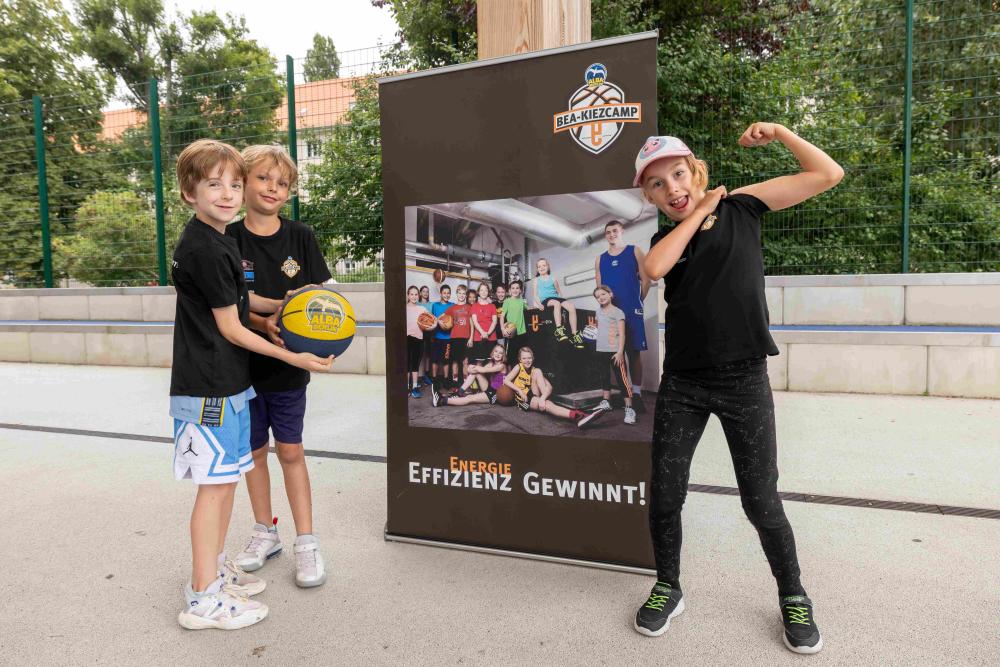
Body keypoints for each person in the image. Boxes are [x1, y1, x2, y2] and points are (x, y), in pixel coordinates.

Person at [631, 127, 843, 654]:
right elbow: (655, 269)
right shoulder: (661, 243)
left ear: (695, 170)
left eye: (678, 174)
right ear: (650, 197)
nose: (672, 188)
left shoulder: (742, 206)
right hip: (684, 384)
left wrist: (781, 133)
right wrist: (700, 211)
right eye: (657, 184)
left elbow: (827, 174)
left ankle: (793, 594)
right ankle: (668, 586)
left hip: (744, 381)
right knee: (665, 495)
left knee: (761, 501)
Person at [170, 139, 333, 630]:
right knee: (216, 487)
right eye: (214, 184)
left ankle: (214, 574)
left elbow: (246, 301)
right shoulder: (208, 246)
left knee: (224, 482)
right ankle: (203, 597)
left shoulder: (217, 239)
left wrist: (289, 310)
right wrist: (291, 352)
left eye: (233, 184)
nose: (228, 193)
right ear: (189, 193)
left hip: (226, 383)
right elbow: (232, 326)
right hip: (209, 386)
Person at [226, 145, 334, 590]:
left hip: (288, 367)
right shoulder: (228, 237)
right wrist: (265, 322)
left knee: (290, 451)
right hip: (242, 365)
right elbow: (230, 303)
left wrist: (325, 338)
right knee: (253, 454)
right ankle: (265, 532)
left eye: (282, 182)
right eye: (264, 178)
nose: (273, 188)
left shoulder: (300, 236)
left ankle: (306, 541)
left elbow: (320, 300)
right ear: (243, 182)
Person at [595, 220, 650, 408]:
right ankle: (624, 394)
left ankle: (637, 394)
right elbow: (599, 289)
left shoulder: (634, 251)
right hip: (610, 314)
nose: (611, 234)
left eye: (615, 231)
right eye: (608, 232)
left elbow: (646, 280)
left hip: (631, 310)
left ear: (622, 231)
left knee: (634, 353)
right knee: (613, 354)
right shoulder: (600, 259)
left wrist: (638, 301)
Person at [502, 347, 601, 427]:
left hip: (534, 393)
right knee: (549, 405)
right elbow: (506, 380)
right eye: (524, 358)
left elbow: (549, 387)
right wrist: (519, 390)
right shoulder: (518, 367)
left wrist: (542, 398)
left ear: (533, 358)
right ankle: (579, 416)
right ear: (520, 359)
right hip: (524, 399)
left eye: (529, 358)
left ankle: (546, 403)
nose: (527, 361)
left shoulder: (535, 370)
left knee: (538, 371)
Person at [587, 285, 635, 425]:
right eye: (597, 297)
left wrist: (620, 352)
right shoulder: (597, 312)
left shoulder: (618, 312)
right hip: (600, 350)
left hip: (615, 351)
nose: (600, 298)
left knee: (622, 380)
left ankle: (629, 409)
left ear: (610, 294)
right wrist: (590, 330)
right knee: (604, 376)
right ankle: (606, 402)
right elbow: (599, 329)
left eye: (603, 294)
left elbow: (622, 334)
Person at [432, 343, 507, 406]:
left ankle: (441, 400)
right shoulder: (491, 363)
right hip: (489, 388)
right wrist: (472, 368)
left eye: (500, 353)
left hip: (495, 394)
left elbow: (484, 370)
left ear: (503, 356)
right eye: (496, 351)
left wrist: (472, 367)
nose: (497, 354)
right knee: (475, 372)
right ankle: (459, 392)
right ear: (493, 352)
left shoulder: (501, 366)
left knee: (470, 398)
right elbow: (478, 370)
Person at [532, 258, 583, 348]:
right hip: (545, 299)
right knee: (556, 303)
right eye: (539, 266)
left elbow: (559, 292)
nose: (541, 267)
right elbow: (535, 295)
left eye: (544, 265)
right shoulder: (536, 280)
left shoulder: (553, 279)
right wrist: (539, 304)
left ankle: (574, 334)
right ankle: (559, 330)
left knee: (571, 306)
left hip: (556, 298)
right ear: (537, 269)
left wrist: (563, 301)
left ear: (548, 267)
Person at [445, 284, 472, 390]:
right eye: (459, 293)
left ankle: (465, 384)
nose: (461, 295)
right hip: (455, 337)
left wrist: (471, 338)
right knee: (455, 361)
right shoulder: (452, 308)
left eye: (463, 293)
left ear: (466, 295)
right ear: (456, 294)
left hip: (466, 337)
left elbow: (472, 324)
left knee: (465, 361)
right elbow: (442, 318)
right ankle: (455, 383)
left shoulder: (469, 307)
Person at [499, 279, 529, 364]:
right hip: (511, 332)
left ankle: (520, 372)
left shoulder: (522, 301)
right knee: (510, 357)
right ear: (509, 290)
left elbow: (530, 309)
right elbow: (502, 316)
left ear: (520, 290)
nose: (515, 290)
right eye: (513, 288)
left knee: (522, 356)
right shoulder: (507, 301)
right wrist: (503, 329)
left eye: (517, 288)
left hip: (522, 332)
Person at [468, 282, 498, 365]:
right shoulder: (474, 306)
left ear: (488, 292)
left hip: (491, 337)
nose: (484, 292)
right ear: (478, 292)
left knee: (491, 362)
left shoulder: (492, 306)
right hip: (478, 337)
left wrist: (487, 334)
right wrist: (483, 333)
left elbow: (494, 322)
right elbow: (475, 321)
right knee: (479, 362)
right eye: (481, 290)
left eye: (486, 290)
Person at [430, 284, 453, 387]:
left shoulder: (452, 305)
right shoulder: (435, 305)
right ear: (440, 294)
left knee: (446, 360)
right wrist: (439, 321)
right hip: (436, 337)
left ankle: (446, 379)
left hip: (448, 338)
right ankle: (434, 380)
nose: (446, 295)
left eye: (448, 293)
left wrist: (447, 324)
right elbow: (432, 320)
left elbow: (454, 320)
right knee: (435, 359)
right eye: (444, 293)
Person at [405, 286, 426, 398]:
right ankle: (406, 387)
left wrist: (437, 323)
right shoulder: (403, 309)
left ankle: (414, 387)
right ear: (408, 295)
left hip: (418, 339)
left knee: (415, 364)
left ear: (419, 295)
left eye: (416, 294)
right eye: (412, 294)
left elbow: (432, 322)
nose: (414, 296)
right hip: (406, 339)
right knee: (406, 363)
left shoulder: (422, 309)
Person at [418, 285, 434, 385]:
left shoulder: (431, 305)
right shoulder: (417, 304)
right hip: (419, 332)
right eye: (423, 291)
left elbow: (433, 318)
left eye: (427, 291)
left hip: (429, 332)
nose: (425, 293)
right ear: (420, 293)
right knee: (420, 354)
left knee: (428, 354)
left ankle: (426, 375)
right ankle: (420, 375)